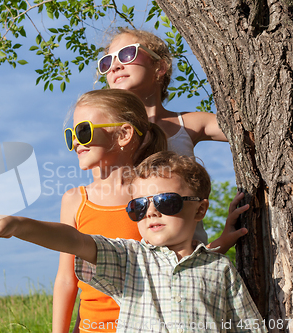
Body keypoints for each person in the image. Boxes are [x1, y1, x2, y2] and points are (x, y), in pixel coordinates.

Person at [0, 151, 264, 333]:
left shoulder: (221, 269)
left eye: (166, 201)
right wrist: (19, 225)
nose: (151, 211)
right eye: (139, 206)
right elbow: (76, 240)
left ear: (200, 208)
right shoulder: (131, 259)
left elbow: (249, 327)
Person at [97, 28, 247, 245]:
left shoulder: (190, 123)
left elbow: (253, 128)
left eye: (127, 54)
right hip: (134, 263)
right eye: (106, 62)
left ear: (160, 67)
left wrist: (223, 240)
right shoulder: (109, 135)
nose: (115, 65)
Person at [55, 89, 167, 332]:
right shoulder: (75, 200)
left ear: (124, 134)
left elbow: (173, 259)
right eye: (71, 134)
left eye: (84, 131)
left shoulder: (150, 195)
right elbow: (66, 278)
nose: (75, 141)